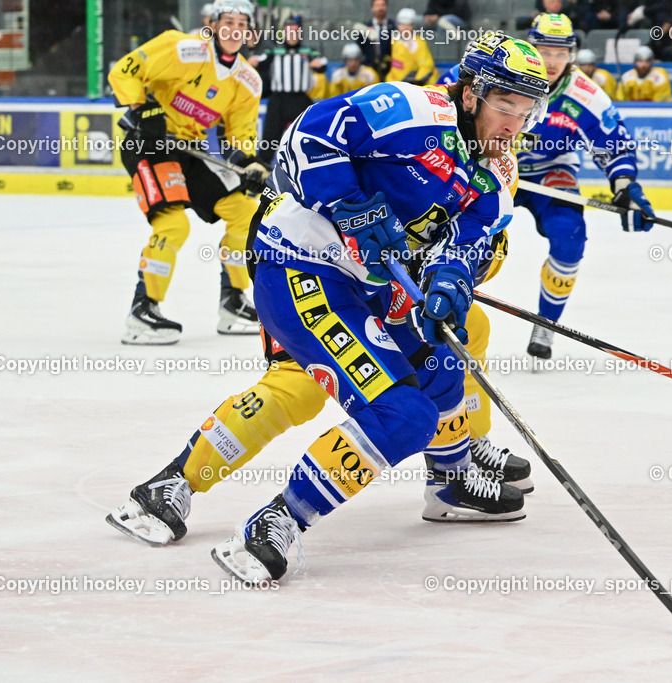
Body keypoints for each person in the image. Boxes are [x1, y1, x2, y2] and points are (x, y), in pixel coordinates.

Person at [105, 34, 551, 582]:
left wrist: (447, 284)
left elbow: (467, 244)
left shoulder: (494, 173)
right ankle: (270, 519)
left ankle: (449, 474)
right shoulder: (413, 110)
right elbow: (305, 137)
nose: (514, 123)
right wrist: (348, 205)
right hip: (298, 262)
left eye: (527, 110)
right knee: (336, 398)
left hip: (364, 286)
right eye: (505, 104)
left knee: (442, 367)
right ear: (470, 93)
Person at [110, 0, 268, 345]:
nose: (234, 29)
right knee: (173, 224)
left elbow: (239, 138)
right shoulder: (182, 49)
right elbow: (124, 70)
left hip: (189, 151)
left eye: (242, 23)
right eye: (227, 21)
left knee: (244, 210)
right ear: (213, 24)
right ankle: (143, 308)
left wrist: (250, 166)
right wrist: (143, 107)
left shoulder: (248, 80)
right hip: (147, 147)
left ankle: (233, 300)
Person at [517, 14, 655, 358]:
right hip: (494, 167)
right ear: (530, 46)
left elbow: (613, 144)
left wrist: (625, 187)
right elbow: (454, 97)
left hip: (553, 170)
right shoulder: (505, 68)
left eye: (560, 53)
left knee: (570, 237)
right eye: (544, 50)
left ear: (573, 54)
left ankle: (546, 324)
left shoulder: (585, 95)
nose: (551, 61)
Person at [253, 15, 327, 165]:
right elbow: (260, 63)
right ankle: (260, 175)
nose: (292, 35)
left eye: (295, 31)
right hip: (278, 100)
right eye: (289, 31)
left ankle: (313, 170)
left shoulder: (308, 51)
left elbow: (322, 64)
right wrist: (253, 60)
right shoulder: (274, 52)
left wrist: (318, 64)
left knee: (310, 138)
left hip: (300, 99)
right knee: (269, 141)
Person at [385, 8, 439, 84]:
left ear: (413, 26)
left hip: (411, 83)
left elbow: (426, 66)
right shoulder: (394, 40)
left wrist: (415, 81)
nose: (405, 28)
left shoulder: (418, 43)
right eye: (402, 24)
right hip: (395, 82)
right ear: (397, 25)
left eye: (408, 25)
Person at [358, 0, 397, 80]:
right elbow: (359, 48)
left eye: (383, 5)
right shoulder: (365, 27)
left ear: (387, 7)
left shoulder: (394, 26)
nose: (380, 8)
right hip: (370, 69)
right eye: (377, 5)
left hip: (391, 70)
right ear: (372, 8)